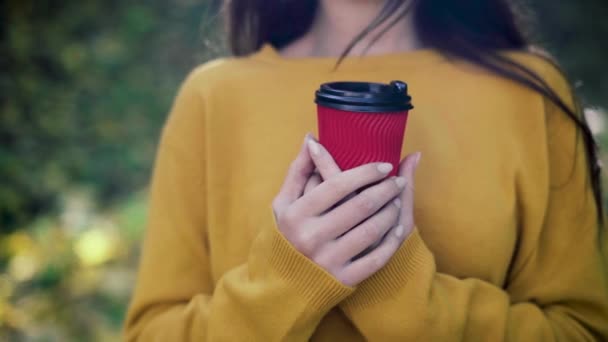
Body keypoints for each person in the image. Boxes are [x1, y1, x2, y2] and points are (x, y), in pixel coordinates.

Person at [124, 0, 608, 340]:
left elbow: (581, 331)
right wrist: (287, 281)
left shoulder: (528, 94)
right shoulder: (214, 97)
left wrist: (398, 285)